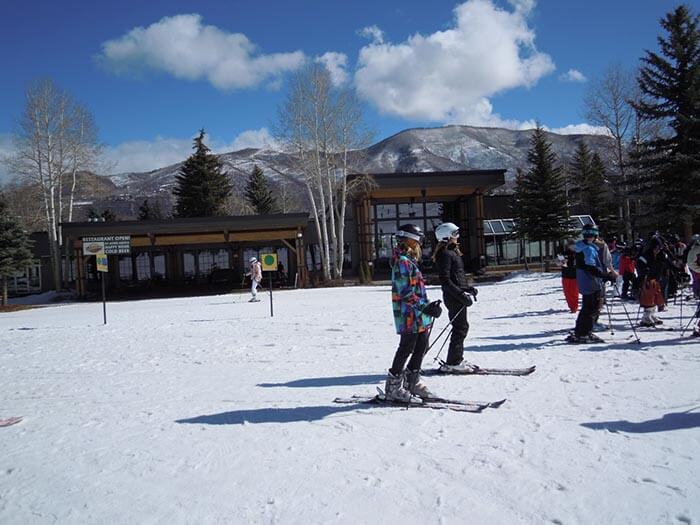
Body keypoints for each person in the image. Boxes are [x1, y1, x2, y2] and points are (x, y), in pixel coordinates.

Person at [385, 224, 442, 402]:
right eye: (418, 240)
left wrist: (428, 305)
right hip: (408, 314)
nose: (420, 244)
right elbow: (404, 292)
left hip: (418, 314)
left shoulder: (409, 261)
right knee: (406, 347)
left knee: (422, 345)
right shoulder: (402, 262)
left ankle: (412, 381)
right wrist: (424, 307)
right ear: (410, 240)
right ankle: (393, 388)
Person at [432, 222, 479, 372]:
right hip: (453, 296)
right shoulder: (445, 254)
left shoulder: (451, 252)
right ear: (446, 236)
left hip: (456, 294)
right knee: (460, 327)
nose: (457, 237)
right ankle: (454, 362)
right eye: (455, 234)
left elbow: (456, 276)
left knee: (461, 327)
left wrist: (467, 289)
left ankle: (456, 359)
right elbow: (445, 280)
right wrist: (460, 295)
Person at [566, 224, 617, 343]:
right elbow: (591, 267)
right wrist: (605, 275)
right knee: (591, 308)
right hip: (590, 281)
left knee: (587, 307)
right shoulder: (588, 249)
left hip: (585, 280)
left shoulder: (581, 246)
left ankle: (580, 331)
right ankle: (584, 333)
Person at [637, 236, 666, 326]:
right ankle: (646, 317)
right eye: (657, 248)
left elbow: (666, 264)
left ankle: (652, 315)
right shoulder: (645, 255)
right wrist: (644, 271)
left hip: (656, 278)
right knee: (648, 298)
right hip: (647, 279)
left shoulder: (661, 256)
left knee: (656, 297)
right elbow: (639, 265)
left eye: (660, 248)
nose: (658, 250)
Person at [558, 239, 579, 313]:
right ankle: (571, 306)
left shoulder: (578, 253)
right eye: (571, 245)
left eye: (574, 245)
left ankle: (574, 307)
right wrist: (562, 263)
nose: (573, 246)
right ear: (568, 246)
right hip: (566, 275)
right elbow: (559, 263)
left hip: (575, 276)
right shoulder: (563, 253)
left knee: (574, 292)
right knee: (567, 293)